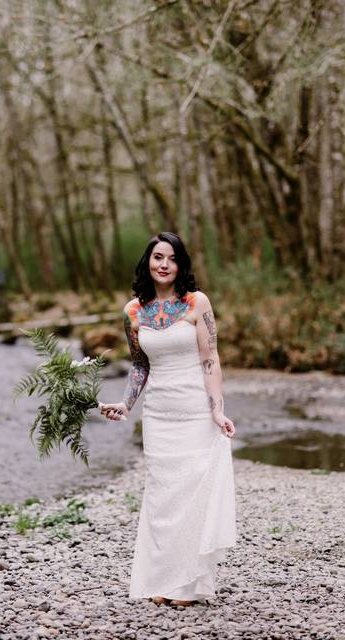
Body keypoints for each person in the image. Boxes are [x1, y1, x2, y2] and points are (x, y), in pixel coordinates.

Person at [98, 231, 238, 607]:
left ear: (180, 264)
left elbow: (211, 359)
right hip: (159, 414)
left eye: (171, 258)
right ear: (147, 262)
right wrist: (126, 405)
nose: (163, 264)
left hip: (194, 408)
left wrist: (217, 409)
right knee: (163, 497)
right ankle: (163, 581)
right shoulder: (133, 312)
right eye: (157, 257)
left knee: (193, 492)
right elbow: (140, 365)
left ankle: (190, 586)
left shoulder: (197, 302)